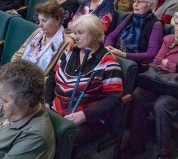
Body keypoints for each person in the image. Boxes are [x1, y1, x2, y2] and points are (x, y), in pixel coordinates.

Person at [121, 10, 178, 158]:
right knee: (137, 96)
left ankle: (164, 152)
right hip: (161, 81)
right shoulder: (168, 39)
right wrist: (176, 66)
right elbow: (156, 62)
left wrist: (170, 64)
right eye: (176, 24)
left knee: (162, 105)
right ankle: (138, 143)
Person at [45, 14, 123, 151]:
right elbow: (52, 77)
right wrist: (46, 101)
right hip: (55, 110)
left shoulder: (108, 61)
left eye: (80, 33)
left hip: (87, 120)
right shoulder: (70, 51)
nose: (75, 37)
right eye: (74, 33)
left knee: (53, 139)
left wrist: (85, 115)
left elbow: (114, 98)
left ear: (94, 34)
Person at [105, 0, 164, 69]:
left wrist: (124, 55)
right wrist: (107, 48)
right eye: (134, 1)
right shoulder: (130, 16)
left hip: (134, 63)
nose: (135, 5)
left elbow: (151, 54)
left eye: (140, 2)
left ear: (150, 5)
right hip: (117, 55)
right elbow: (111, 37)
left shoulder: (156, 25)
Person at [13, 0, 73, 75]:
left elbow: (55, 76)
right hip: (20, 74)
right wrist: (14, 69)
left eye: (44, 21)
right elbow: (19, 54)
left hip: (38, 83)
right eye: (39, 20)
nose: (40, 25)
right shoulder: (38, 32)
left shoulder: (67, 42)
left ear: (57, 20)